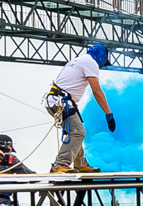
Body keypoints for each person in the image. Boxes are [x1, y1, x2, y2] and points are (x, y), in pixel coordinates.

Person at [44, 44, 116, 174]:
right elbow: (96, 90)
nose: (102, 65)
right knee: (78, 131)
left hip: (56, 100)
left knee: (75, 130)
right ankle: (60, 164)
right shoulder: (91, 62)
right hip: (61, 102)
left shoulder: (78, 60)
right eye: (104, 61)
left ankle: (80, 163)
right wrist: (108, 113)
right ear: (102, 56)